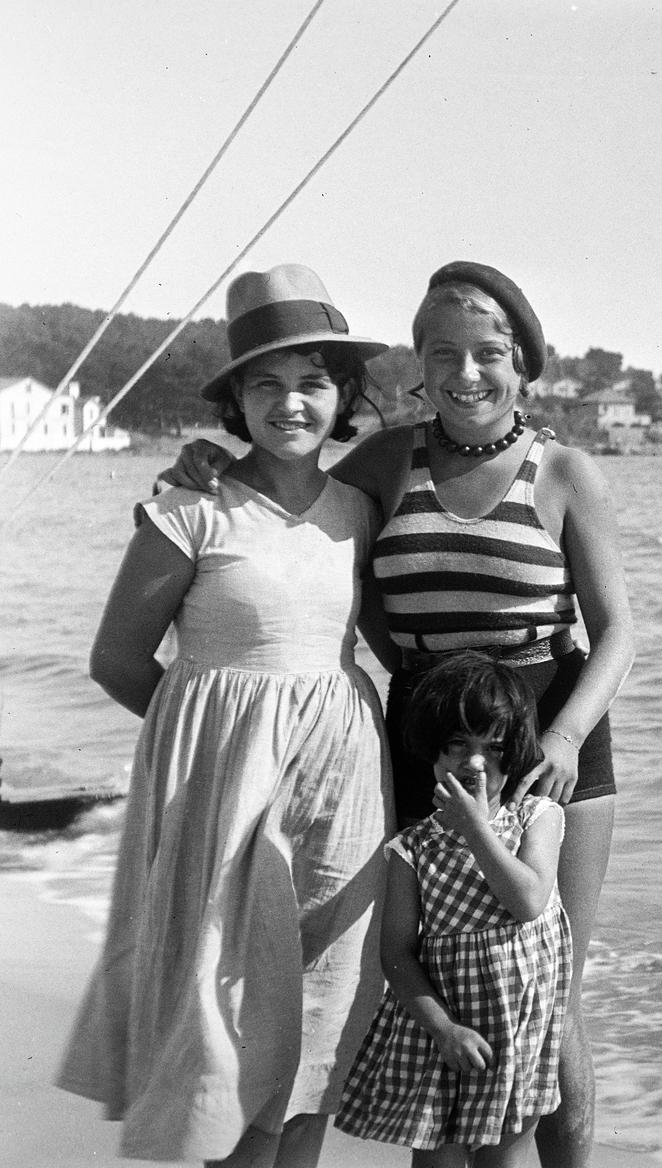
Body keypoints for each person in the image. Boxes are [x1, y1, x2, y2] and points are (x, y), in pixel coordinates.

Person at [161, 260, 635, 1168]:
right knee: (443, 978)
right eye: (443, 354)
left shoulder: (567, 471)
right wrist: (206, 468)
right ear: (418, 366)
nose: (466, 374)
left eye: (488, 354)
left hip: (549, 735)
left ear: (523, 363)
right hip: (422, 731)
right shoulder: (386, 459)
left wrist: (569, 737)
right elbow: (291, 502)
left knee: (550, 992)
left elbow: (618, 632)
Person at [58, 264, 394, 1167]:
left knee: (326, 997)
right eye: (268, 385)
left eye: (314, 383)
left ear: (346, 396)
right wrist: (205, 748)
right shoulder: (191, 510)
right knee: (231, 998)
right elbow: (118, 660)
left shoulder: (359, 509)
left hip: (343, 782)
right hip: (228, 786)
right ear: (235, 403)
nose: (292, 404)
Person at [335, 653, 570, 1166]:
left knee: (504, 1154)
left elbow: (527, 900)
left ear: (518, 752)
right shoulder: (412, 849)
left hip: (518, 1032)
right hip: (442, 1032)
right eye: (458, 745)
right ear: (433, 753)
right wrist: (443, 1030)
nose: (475, 762)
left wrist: (474, 828)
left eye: (494, 747)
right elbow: (395, 953)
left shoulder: (538, 818)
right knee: (437, 1157)